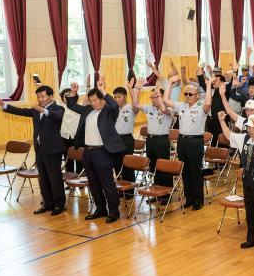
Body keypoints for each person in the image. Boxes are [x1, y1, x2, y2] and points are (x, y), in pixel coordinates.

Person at [0, 85, 67, 215]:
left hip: (53, 149)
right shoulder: (36, 110)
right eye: (38, 97)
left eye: (42, 96)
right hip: (40, 148)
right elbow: (20, 111)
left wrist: (43, 110)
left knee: (55, 177)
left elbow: (57, 116)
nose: (40, 99)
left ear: (50, 96)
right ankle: (47, 203)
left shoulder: (58, 108)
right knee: (43, 177)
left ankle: (59, 205)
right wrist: (3, 105)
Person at [66, 76, 125, 222]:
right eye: (90, 101)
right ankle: (100, 209)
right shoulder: (88, 110)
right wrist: (73, 92)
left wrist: (102, 89)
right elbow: (72, 105)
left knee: (107, 183)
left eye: (95, 100)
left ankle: (114, 211)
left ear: (102, 100)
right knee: (93, 183)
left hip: (102, 152)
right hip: (88, 151)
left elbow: (114, 105)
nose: (92, 103)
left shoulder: (109, 111)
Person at [219, 111, 254, 253]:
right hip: (248, 179)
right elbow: (229, 135)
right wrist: (221, 121)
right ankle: (253, 238)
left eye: (253, 127)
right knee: (250, 211)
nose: (250, 130)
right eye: (249, 127)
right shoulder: (245, 138)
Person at [159, 81, 212, 210]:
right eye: (186, 94)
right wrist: (170, 84)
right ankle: (189, 198)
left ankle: (198, 199)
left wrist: (208, 85)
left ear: (197, 95)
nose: (187, 96)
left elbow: (208, 104)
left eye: (190, 94)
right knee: (185, 171)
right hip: (182, 141)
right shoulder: (181, 105)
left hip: (195, 142)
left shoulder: (201, 106)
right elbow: (165, 100)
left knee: (195, 171)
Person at [129, 81, 174, 192]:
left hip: (162, 141)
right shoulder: (150, 108)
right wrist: (137, 90)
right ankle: (156, 190)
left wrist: (159, 94)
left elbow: (163, 110)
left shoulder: (170, 109)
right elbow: (135, 104)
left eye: (155, 97)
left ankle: (166, 193)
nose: (152, 100)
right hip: (151, 140)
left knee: (163, 167)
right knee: (153, 167)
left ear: (161, 97)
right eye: (152, 97)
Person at [112, 83, 140, 197]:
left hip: (126, 139)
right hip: (115, 139)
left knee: (127, 165)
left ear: (125, 96)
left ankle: (129, 191)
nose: (117, 99)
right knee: (117, 165)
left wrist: (131, 89)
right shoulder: (113, 109)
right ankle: (120, 189)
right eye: (115, 97)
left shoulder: (131, 108)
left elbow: (136, 105)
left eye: (119, 97)